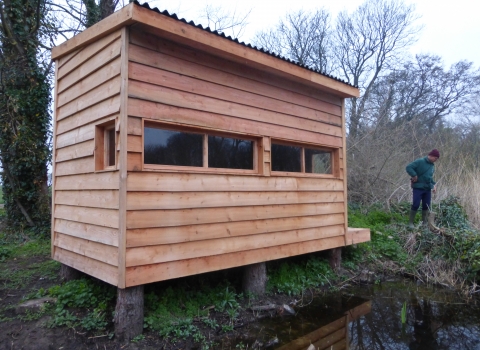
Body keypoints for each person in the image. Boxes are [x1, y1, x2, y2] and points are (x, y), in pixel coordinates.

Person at [406, 149, 440, 228]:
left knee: (426, 205)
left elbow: (429, 178)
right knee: (416, 204)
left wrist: (433, 185)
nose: (436, 160)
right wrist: (414, 175)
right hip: (418, 187)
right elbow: (408, 167)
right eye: (435, 158)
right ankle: (410, 223)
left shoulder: (432, 166)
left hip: (427, 189)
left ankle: (424, 223)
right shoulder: (420, 161)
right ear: (431, 156)